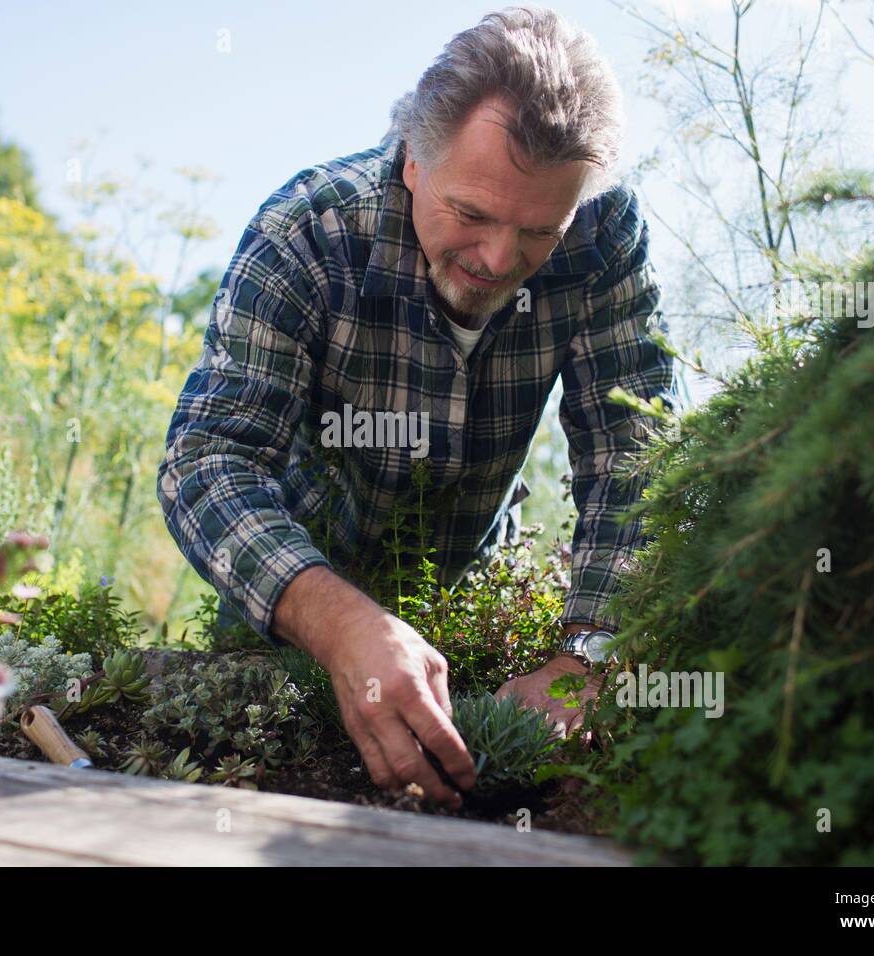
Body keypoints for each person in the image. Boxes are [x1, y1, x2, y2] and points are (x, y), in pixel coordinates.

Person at [159, 6, 675, 809]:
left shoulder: (605, 237)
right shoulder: (307, 233)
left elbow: (633, 455)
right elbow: (207, 461)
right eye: (470, 214)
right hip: (292, 622)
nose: (499, 260)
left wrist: (587, 656)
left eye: (540, 230)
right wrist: (338, 625)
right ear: (411, 161)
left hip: (476, 614)